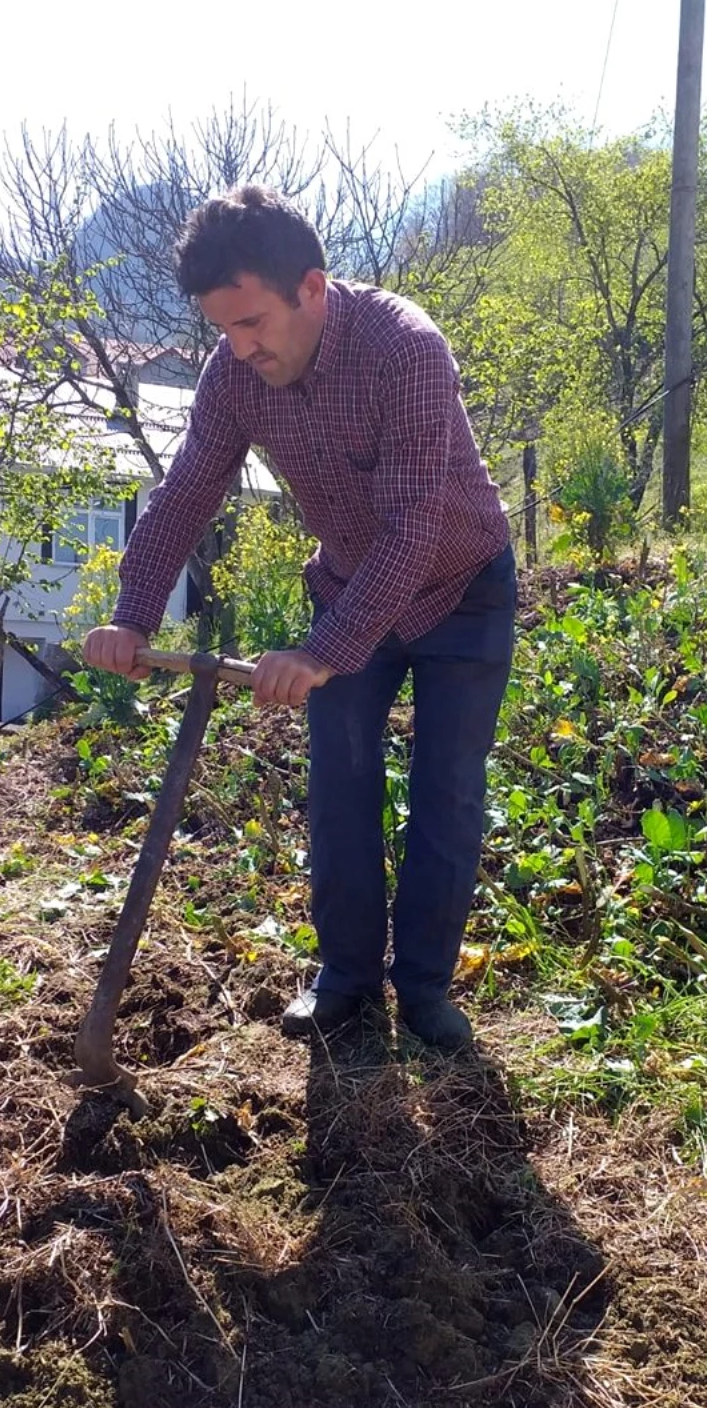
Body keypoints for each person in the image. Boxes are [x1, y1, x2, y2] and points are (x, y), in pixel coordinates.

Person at [84, 186, 515, 1049]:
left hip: (462, 586)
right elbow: (186, 493)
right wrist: (132, 614)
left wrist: (324, 650)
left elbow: (416, 526)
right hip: (351, 581)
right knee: (339, 793)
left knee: (447, 796)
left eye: (253, 323)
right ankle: (347, 979)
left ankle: (426, 992)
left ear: (311, 289)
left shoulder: (406, 349)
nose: (240, 349)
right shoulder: (233, 372)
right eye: (223, 330)